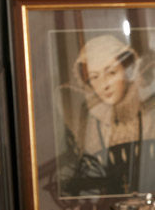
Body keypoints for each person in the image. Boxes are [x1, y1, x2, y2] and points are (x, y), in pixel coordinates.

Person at [58, 33, 155, 197]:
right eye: (94, 77)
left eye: (111, 73)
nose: (104, 85)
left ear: (127, 72)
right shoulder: (91, 122)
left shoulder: (150, 111)